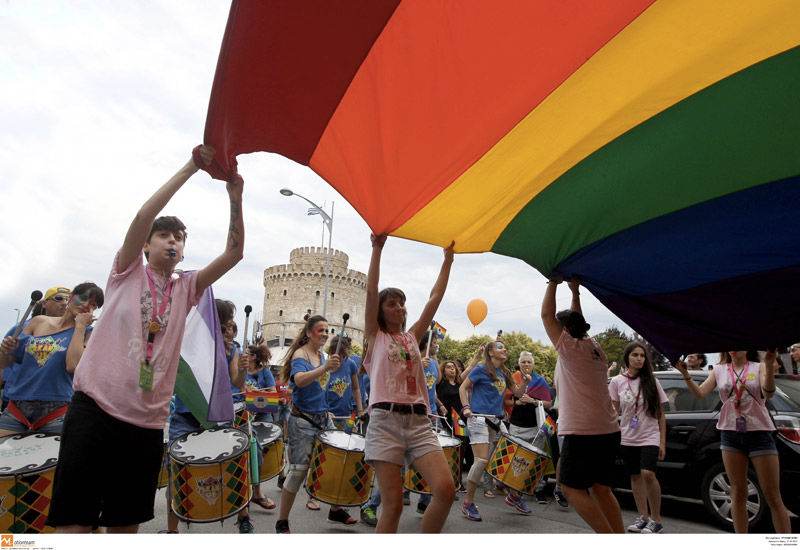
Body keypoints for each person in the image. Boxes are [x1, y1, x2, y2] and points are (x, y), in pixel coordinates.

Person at [46, 144, 244, 533]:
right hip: (95, 411)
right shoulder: (126, 271)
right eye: (165, 235)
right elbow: (143, 215)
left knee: (125, 525)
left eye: (180, 238)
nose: (174, 242)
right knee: (75, 524)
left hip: (147, 425)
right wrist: (190, 167)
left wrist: (235, 197)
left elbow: (235, 253)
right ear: (146, 245)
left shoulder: (187, 287)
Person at [362, 233, 455, 533]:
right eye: (391, 304)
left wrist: (448, 260)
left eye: (402, 303)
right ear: (380, 309)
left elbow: (434, 298)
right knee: (392, 506)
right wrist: (377, 249)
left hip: (419, 424)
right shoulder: (376, 337)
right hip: (385, 421)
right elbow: (371, 290)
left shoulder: (413, 337)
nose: (399, 308)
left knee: (446, 490)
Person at [163, 299, 259, 533]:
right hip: (186, 417)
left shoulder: (231, 348)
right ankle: (172, 530)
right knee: (176, 470)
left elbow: (237, 382)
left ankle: (243, 516)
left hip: (216, 417)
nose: (228, 328)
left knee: (233, 465)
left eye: (229, 324)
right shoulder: (187, 344)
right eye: (224, 322)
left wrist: (244, 368)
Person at [673, 350, 791, 533]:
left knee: (773, 496)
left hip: (759, 432)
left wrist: (768, 364)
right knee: (738, 492)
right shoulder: (719, 370)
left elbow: (768, 393)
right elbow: (700, 393)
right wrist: (685, 374)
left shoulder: (758, 367)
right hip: (730, 432)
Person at [541, 275, 624, 533]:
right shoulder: (594, 347)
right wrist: (575, 293)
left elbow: (546, 315)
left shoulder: (570, 348)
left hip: (582, 431)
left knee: (570, 487)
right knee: (601, 489)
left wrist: (553, 281)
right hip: (608, 430)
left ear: (564, 331)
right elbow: (577, 323)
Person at [274, 315, 354, 534]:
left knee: (335, 462)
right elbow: (299, 380)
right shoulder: (301, 354)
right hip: (302, 421)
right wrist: (325, 367)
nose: (325, 334)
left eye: (327, 330)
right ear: (309, 333)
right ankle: (282, 521)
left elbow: (327, 384)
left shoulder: (323, 355)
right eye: (320, 330)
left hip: (322, 417)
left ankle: (335, 509)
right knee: (298, 472)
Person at [0, 283, 103, 436]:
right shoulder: (38, 322)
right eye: (84, 298)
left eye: (93, 304)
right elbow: (7, 362)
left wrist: (79, 327)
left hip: (57, 411)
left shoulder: (89, 333)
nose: (87, 305)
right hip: (17, 408)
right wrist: (5, 350)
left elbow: (73, 365)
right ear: (71, 298)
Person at [459, 340, 527, 520]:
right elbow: (462, 387)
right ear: (490, 352)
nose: (504, 349)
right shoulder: (481, 369)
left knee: (510, 456)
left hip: (498, 420)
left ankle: (513, 495)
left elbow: (518, 394)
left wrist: (525, 382)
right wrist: (466, 406)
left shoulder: (504, 372)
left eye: (505, 346)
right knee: (481, 461)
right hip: (478, 419)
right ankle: (468, 503)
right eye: (499, 347)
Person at [609, 342, 668, 534]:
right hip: (627, 436)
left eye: (642, 355)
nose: (639, 359)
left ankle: (656, 519)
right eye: (635, 355)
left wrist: (662, 442)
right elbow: (613, 411)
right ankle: (643, 517)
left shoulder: (652, 381)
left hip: (649, 435)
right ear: (627, 358)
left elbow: (661, 414)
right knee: (635, 476)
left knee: (648, 474)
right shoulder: (617, 382)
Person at [505, 351, 562, 507]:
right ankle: (514, 490)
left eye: (529, 362)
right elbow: (506, 401)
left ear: (533, 364)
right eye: (523, 362)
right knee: (515, 457)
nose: (526, 365)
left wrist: (533, 401)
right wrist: (517, 403)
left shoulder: (540, 380)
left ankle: (538, 489)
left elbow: (549, 403)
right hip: (516, 424)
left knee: (536, 458)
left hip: (535, 425)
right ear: (519, 364)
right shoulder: (513, 379)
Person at [2, 286, 71, 411]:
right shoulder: (23, 327)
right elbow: (4, 361)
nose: (64, 303)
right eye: (59, 298)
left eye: (69, 300)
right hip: (16, 399)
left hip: (57, 403)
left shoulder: (75, 331)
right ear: (44, 303)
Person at [324, 334, 364, 429]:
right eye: (334, 353)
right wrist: (325, 412)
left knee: (349, 440)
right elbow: (319, 393)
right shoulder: (324, 367)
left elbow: (355, 388)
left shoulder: (350, 364)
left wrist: (360, 410)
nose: (338, 357)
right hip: (329, 417)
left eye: (342, 355)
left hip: (348, 415)